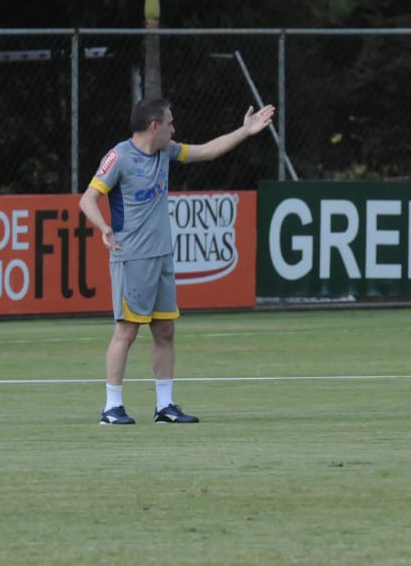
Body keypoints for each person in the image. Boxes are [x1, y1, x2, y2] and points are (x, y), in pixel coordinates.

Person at [79, 98, 275, 424]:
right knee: (126, 333)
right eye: (169, 123)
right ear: (154, 126)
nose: (174, 129)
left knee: (165, 331)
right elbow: (88, 199)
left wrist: (245, 131)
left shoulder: (165, 151)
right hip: (132, 259)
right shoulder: (120, 156)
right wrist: (104, 228)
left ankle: (165, 407)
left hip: (162, 258)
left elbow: (208, 150)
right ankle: (112, 408)